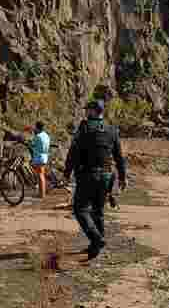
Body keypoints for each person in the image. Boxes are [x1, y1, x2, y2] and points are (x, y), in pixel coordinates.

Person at [63, 100, 127, 260]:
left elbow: (73, 153)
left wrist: (66, 173)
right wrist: (122, 177)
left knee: (80, 209)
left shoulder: (84, 128)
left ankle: (97, 239)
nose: (85, 112)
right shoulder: (112, 130)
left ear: (92, 111)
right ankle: (95, 248)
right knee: (98, 212)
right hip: (106, 176)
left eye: (87, 110)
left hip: (87, 175)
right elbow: (119, 156)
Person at [29, 121, 51, 199]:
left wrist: (29, 141)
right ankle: (42, 192)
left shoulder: (37, 136)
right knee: (41, 174)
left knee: (40, 175)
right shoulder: (46, 135)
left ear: (37, 127)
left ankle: (41, 194)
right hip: (45, 156)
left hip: (39, 157)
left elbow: (31, 144)